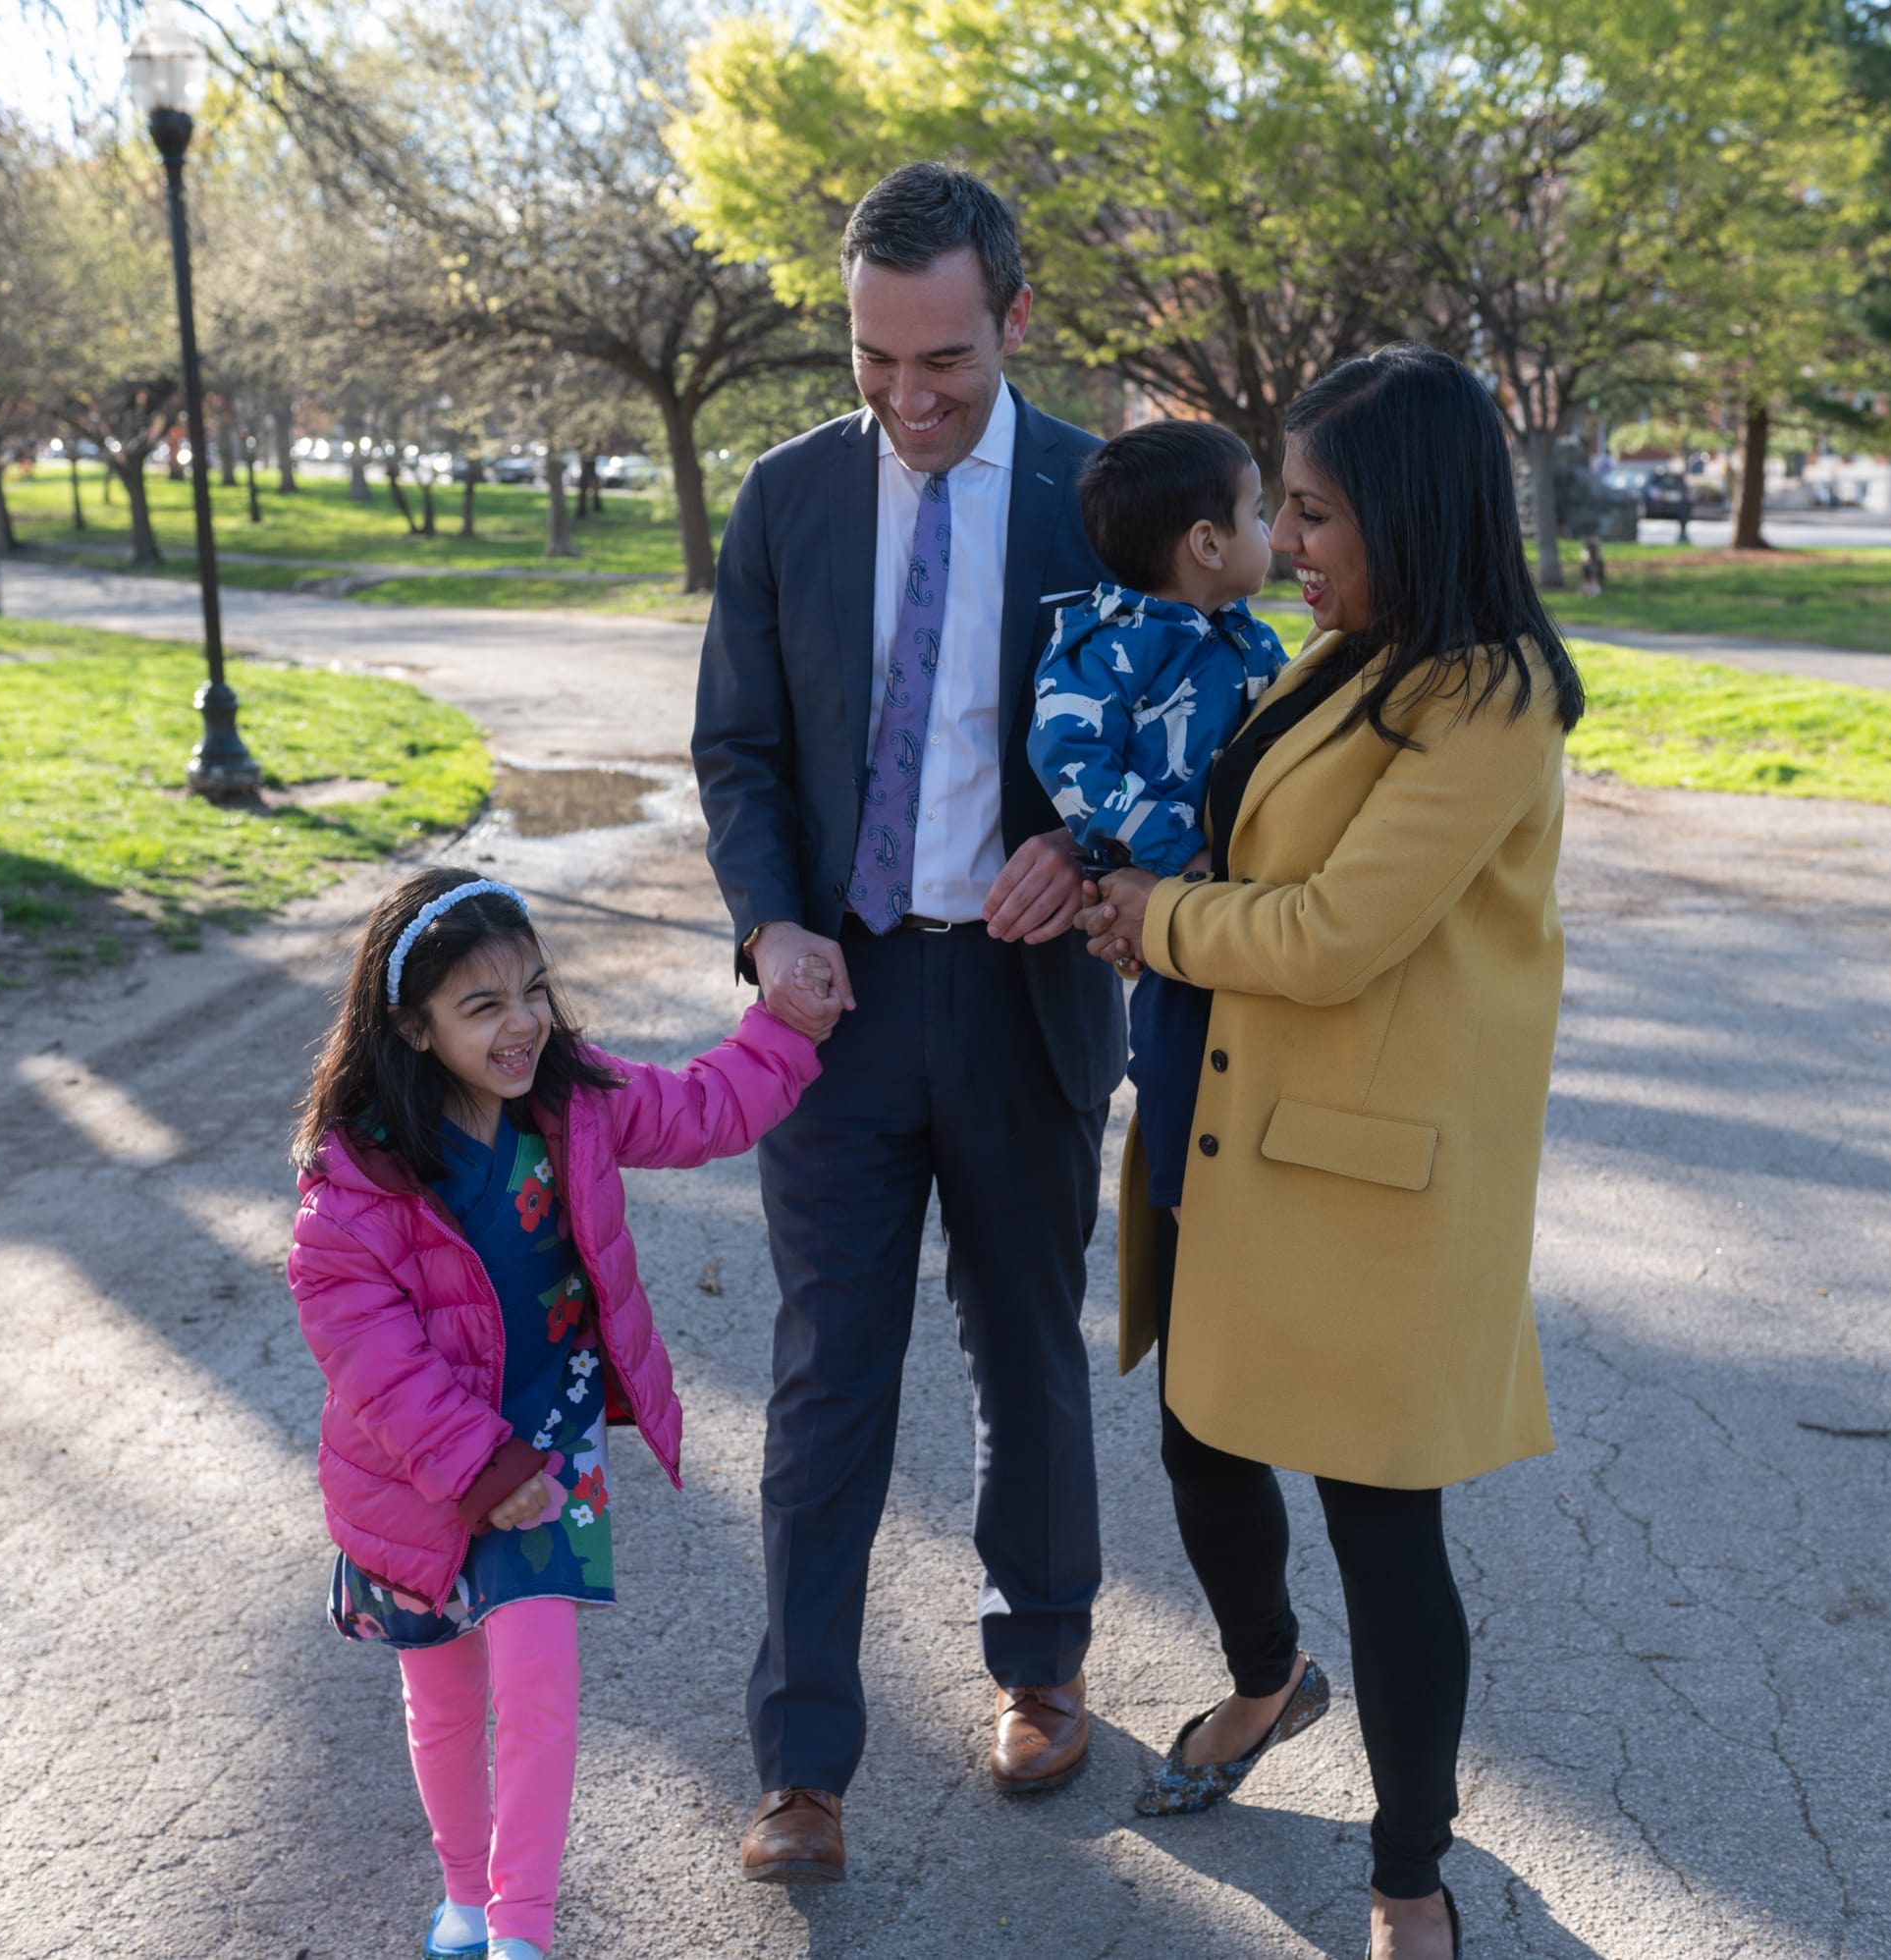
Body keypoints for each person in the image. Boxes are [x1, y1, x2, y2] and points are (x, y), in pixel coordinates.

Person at [1080, 345, 1588, 1960]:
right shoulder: (1340, 655)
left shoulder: (1487, 693)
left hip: (1374, 1187)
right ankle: (1263, 1679)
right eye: (1284, 512)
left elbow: (1340, 931)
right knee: (1202, 1447)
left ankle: (1410, 1872)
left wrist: (1158, 922)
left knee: (1387, 1537)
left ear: (1407, 510)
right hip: (1239, 1141)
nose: (1287, 543)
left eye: (1312, 513)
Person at [692, 160, 1126, 1884]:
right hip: (841, 1003)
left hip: (1025, 1001)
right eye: (875, 359)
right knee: (825, 1378)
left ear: (1013, 319)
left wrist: (1084, 847)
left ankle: (1043, 1660)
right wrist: (768, 918)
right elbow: (737, 747)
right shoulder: (789, 497)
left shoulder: (1106, 498)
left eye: (942, 358)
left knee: (1025, 1346)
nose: (909, 396)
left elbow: (1187, 741)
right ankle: (802, 1761)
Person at [287, 866, 834, 1960]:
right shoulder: (357, 1180)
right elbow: (371, 1356)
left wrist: (787, 1024)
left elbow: (704, 1108)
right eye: (482, 1006)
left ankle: (521, 1933)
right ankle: (466, 1900)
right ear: (411, 1025)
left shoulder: (571, 1101)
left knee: (537, 1687)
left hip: (549, 1448)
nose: (522, 1023)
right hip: (417, 1476)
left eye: (533, 990)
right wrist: (472, 1465)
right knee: (443, 1698)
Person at [1027, 418, 1287, 1224]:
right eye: (1260, 513)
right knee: (1175, 1057)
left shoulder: (1250, 642)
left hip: (1240, 909)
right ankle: (1184, 1208)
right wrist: (1178, 854)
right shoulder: (1103, 650)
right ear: (1207, 543)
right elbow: (1071, 763)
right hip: (1167, 913)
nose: (1274, 532)